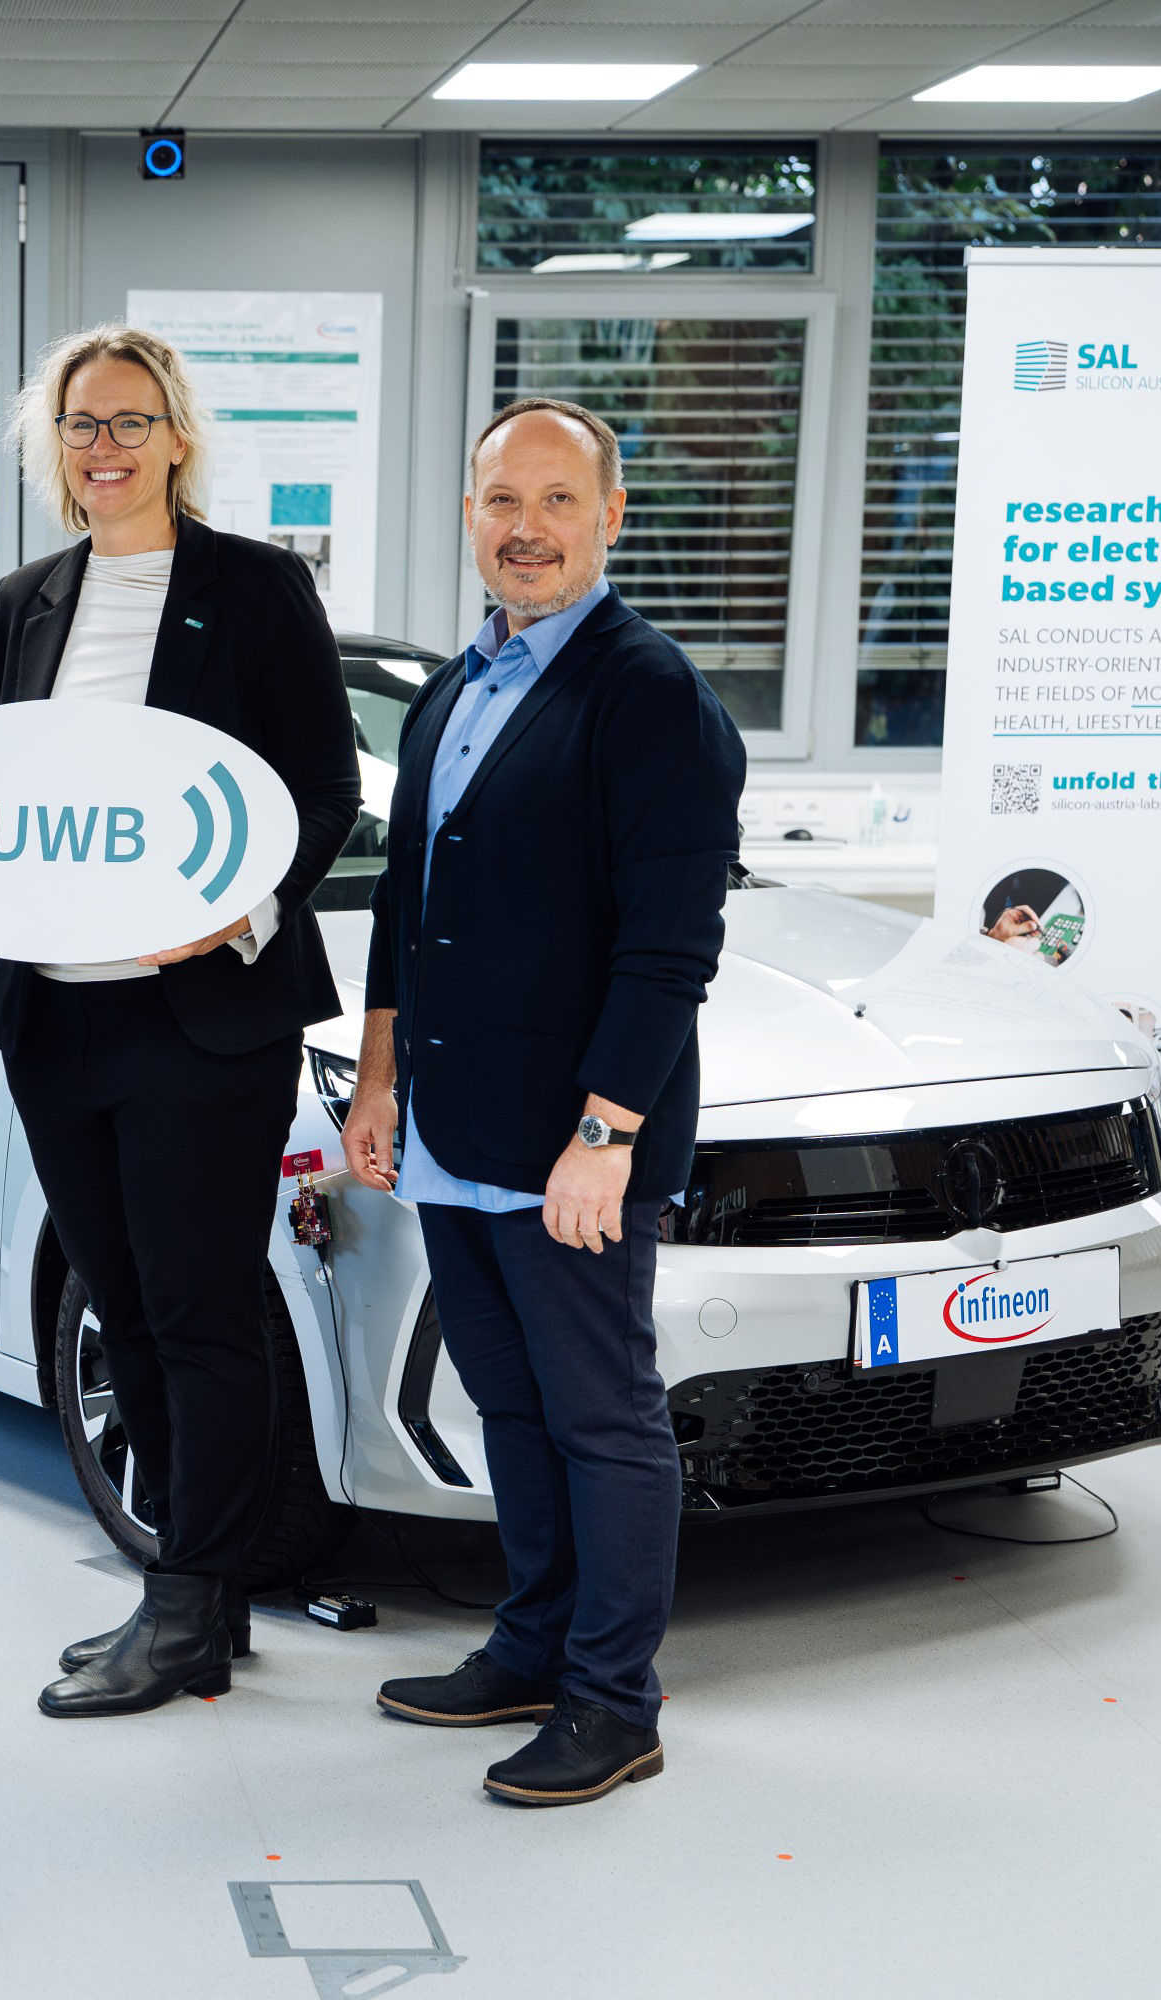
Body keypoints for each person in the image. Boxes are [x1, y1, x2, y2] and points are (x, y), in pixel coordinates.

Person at [0, 323, 359, 1720]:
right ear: (52, 446)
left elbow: (323, 788)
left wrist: (239, 914)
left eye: (131, 421)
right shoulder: (27, 602)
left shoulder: (255, 589)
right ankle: (197, 1590)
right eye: (81, 424)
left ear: (178, 435)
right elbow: (6, 794)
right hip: (55, 1022)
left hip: (204, 1021)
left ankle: (187, 1609)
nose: (105, 446)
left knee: (201, 1310)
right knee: (120, 1311)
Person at [343, 397, 743, 1807]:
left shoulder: (649, 695)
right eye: (502, 501)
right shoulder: (457, 687)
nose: (526, 529)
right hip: (457, 1124)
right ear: (470, 515)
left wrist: (605, 1136)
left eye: (558, 500)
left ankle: (614, 1700)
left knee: (601, 1417)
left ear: (610, 517)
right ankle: (531, 1645)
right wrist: (380, 1082)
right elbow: (405, 908)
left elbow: (669, 948)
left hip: (574, 1141)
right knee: (509, 1405)